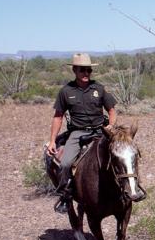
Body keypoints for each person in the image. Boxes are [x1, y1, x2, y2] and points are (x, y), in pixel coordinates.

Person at [46, 53, 116, 213]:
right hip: (78, 133)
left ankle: (128, 189)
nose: (86, 74)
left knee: (123, 155)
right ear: (75, 70)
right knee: (64, 164)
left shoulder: (99, 88)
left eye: (88, 70)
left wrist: (111, 126)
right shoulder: (66, 91)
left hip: (101, 131)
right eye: (82, 70)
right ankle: (65, 196)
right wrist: (52, 141)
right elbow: (58, 116)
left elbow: (111, 110)